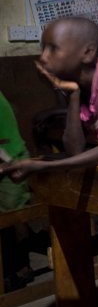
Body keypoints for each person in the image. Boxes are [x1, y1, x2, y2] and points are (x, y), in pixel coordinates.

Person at [0, 17, 98, 182]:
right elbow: (75, 150)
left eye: (53, 48)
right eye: (43, 48)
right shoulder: (80, 84)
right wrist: (74, 94)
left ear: (88, 53)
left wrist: (43, 166)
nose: (44, 57)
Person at [0, 91, 33, 291]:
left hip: (12, 160)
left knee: (16, 217)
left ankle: (22, 269)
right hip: (7, 159)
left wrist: (9, 164)